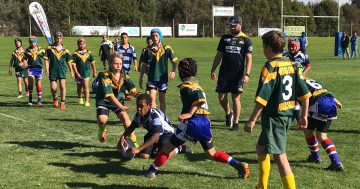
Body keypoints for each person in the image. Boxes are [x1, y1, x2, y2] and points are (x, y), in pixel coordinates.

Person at [144, 58, 250, 179]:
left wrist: (189, 113)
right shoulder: (197, 85)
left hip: (193, 123)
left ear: (181, 73)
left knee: (166, 149)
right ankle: (237, 164)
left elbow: (199, 99)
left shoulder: (186, 87)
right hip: (205, 123)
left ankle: (151, 171)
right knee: (211, 154)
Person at [244, 31, 311, 189]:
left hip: (275, 117)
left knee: (280, 156)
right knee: (261, 148)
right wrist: (304, 115)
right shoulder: (293, 65)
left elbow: (262, 98)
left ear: (268, 47)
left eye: (263, 47)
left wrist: (252, 119)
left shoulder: (271, 67)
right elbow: (305, 94)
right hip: (285, 115)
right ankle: (261, 185)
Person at [210, 16, 253, 131]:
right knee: (221, 97)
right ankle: (228, 113)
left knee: (236, 97)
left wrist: (247, 74)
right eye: (231, 25)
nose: (233, 27)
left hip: (237, 75)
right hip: (224, 74)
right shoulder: (225, 38)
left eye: (235, 25)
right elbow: (218, 55)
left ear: (240, 24)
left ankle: (236, 123)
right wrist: (213, 69)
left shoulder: (246, 40)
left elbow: (249, 58)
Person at [118, 94, 192, 159]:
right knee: (144, 156)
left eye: (141, 106)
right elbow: (132, 127)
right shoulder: (138, 115)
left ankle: (179, 148)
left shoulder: (155, 116)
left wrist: (139, 149)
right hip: (152, 134)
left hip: (167, 135)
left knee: (160, 156)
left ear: (149, 106)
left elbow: (156, 136)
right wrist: (123, 137)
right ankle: (156, 148)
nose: (138, 109)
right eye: (137, 106)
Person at [95, 52, 138, 145]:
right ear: (110, 64)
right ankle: (102, 129)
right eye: (115, 63)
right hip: (104, 101)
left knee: (127, 121)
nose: (118, 66)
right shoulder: (104, 75)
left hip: (118, 101)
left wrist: (138, 95)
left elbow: (132, 89)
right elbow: (110, 95)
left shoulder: (124, 75)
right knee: (102, 119)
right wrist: (121, 106)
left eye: (120, 64)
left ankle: (134, 142)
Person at [302, 78, 344, 172]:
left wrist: (302, 115)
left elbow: (304, 99)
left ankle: (316, 157)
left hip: (319, 104)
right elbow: (323, 91)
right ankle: (336, 163)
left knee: (308, 131)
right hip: (330, 102)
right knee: (322, 136)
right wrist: (335, 100)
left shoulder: (298, 83)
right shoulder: (310, 80)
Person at [139, 28, 178, 113]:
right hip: (152, 78)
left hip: (162, 78)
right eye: (153, 36)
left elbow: (174, 61)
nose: (155, 37)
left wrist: (173, 71)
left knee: (162, 99)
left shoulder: (167, 48)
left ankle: (162, 117)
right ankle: (155, 117)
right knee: (152, 99)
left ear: (160, 37)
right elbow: (144, 65)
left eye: (156, 35)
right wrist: (141, 77)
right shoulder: (147, 50)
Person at [283, 37, 312, 122]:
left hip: (300, 81)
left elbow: (308, 65)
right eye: (289, 46)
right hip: (289, 81)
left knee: (300, 98)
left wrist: (303, 74)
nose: (291, 48)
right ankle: (296, 117)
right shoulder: (285, 56)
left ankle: (299, 117)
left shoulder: (303, 55)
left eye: (293, 46)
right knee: (292, 99)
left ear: (297, 46)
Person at [44, 31, 75, 110]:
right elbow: (46, 59)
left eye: (60, 38)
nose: (58, 40)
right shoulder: (49, 48)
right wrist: (47, 69)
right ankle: (55, 98)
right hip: (52, 71)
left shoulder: (65, 49)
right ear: (54, 38)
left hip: (62, 70)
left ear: (62, 39)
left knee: (62, 86)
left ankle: (62, 102)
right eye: (57, 38)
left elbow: (69, 61)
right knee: (53, 88)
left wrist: (71, 71)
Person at [72, 38, 97, 107]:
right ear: (78, 44)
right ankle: (80, 98)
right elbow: (73, 64)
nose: (82, 45)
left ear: (85, 44)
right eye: (80, 44)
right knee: (79, 87)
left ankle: (87, 101)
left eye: (83, 43)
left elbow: (93, 63)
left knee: (86, 86)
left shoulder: (89, 53)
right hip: (78, 73)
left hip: (86, 73)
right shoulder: (75, 54)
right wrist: (77, 73)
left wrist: (94, 71)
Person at [23, 36, 46, 106]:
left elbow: (46, 58)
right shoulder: (27, 50)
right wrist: (25, 63)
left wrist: (47, 68)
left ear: (36, 42)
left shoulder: (41, 50)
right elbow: (24, 59)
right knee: (30, 82)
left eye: (34, 42)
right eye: (31, 42)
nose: (32, 44)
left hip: (39, 69)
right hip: (30, 68)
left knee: (38, 84)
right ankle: (30, 99)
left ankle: (39, 100)